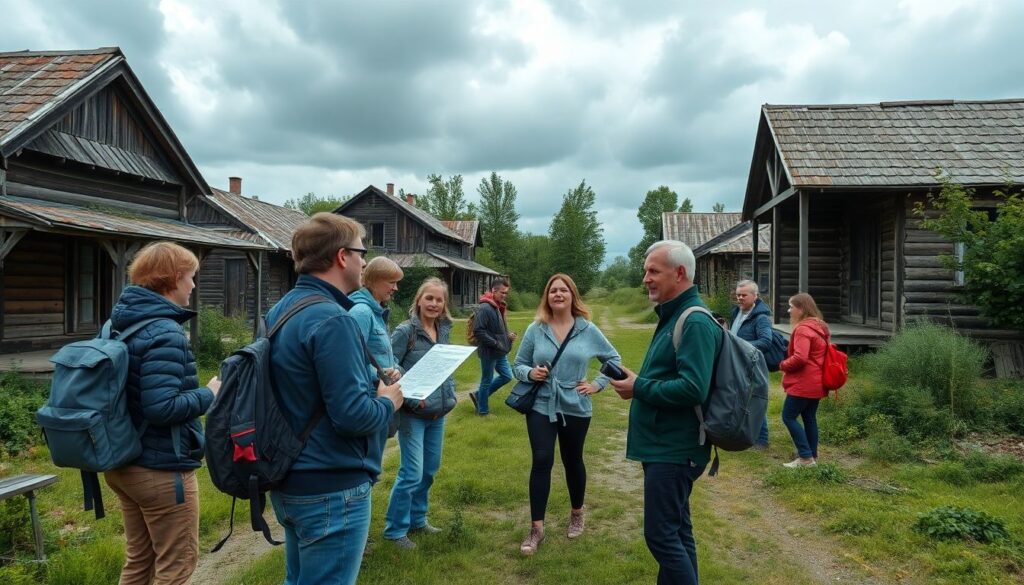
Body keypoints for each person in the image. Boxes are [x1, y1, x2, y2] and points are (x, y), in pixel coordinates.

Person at [266, 213, 404, 585]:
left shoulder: (282, 310)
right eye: (361, 252)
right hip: (331, 486)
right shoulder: (333, 319)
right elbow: (352, 416)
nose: (364, 261)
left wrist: (370, 380)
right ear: (342, 256)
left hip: (290, 476)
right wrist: (388, 400)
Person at [104, 241, 220, 585]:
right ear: (174, 278)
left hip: (123, 459)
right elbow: (162, 407)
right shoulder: (164, 332)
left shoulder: (119, 323)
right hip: (159, 467)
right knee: (175, 567)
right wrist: (208, 394)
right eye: (192, 277)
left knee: (139, 561)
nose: (194, 286)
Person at [609, 240, 722, 585]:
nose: (646, 278)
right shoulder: (676, 315)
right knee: (677, 532)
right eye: (646, 271)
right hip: (666, 446)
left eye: (653, 271)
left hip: (674, 450)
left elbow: (693, 388)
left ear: (680, 273)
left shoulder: (694, 322)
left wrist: (639, 387)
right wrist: (639, 384)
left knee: (661, 537)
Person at [512, 273, 621, 555]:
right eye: (552, 291)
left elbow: (614, 359)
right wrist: (530, 373)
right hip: (541, 405)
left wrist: (597, 384)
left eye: (563, 290)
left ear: (573, 295)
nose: (558, 294)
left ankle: (577, 513)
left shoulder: (587, 329)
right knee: (542, 459)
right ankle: (536, 528)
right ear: (546, 297)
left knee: (572, 460)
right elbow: (518, 365)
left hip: (575, 405)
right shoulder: (536, 329)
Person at [383, 277, 458, 549]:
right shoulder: (405, 331)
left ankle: (418, 520)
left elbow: (446, 364)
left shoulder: (444, 329)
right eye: (429, 298)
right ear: (419, 300)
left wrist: (450, 391)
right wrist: (413, 395)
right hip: (413, 415)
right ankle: (394, 531)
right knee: (412, 473)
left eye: (439, 300)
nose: (434, 304)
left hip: (439, 413)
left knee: (429, 471)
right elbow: (388, 367)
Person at [779, 292, 830, 468]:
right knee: (809, 417)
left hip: (804, 382)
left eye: (791, 306)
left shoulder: (802, 329)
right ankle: (812, 456)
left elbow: (800, 358)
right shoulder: (820, 326)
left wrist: (783, 365)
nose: (789, 310)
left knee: (788, 416)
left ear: (801, 309)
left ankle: (805, 457)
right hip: (817, 381)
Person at [729, 279, 774, 448]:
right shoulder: (736, 312)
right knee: (738, 399)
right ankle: (740, 432)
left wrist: (740, 347)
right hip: (738, 363)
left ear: (755, 296)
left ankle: (762, 440)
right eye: (738, 295)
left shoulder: (761, 318)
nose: (740, 298)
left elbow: (765, 342)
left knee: (755, 400)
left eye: (744, 295)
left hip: (754, 366)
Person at [349, 256, 404, 383]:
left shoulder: (378, 312)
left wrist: (396, 370)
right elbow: (351, 361)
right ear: (374, 281)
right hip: (369, 394)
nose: (395, 288)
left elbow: (381, 355)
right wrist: (380, 375)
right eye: (391, 282)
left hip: (382, 392)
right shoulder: (361, 312)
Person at [469, 277, 517, 415]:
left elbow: (496, 330)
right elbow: (479, 331)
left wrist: (507, 336)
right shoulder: (485, 307)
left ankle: (479, 396)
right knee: (486, 380)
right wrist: (496, 343)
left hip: (499, 351)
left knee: (507, 376)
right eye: (502, 292)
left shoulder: (497, 306)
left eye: (506, 293)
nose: (504, 295)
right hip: (489, 351)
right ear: (493, 290)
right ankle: (483, 411)